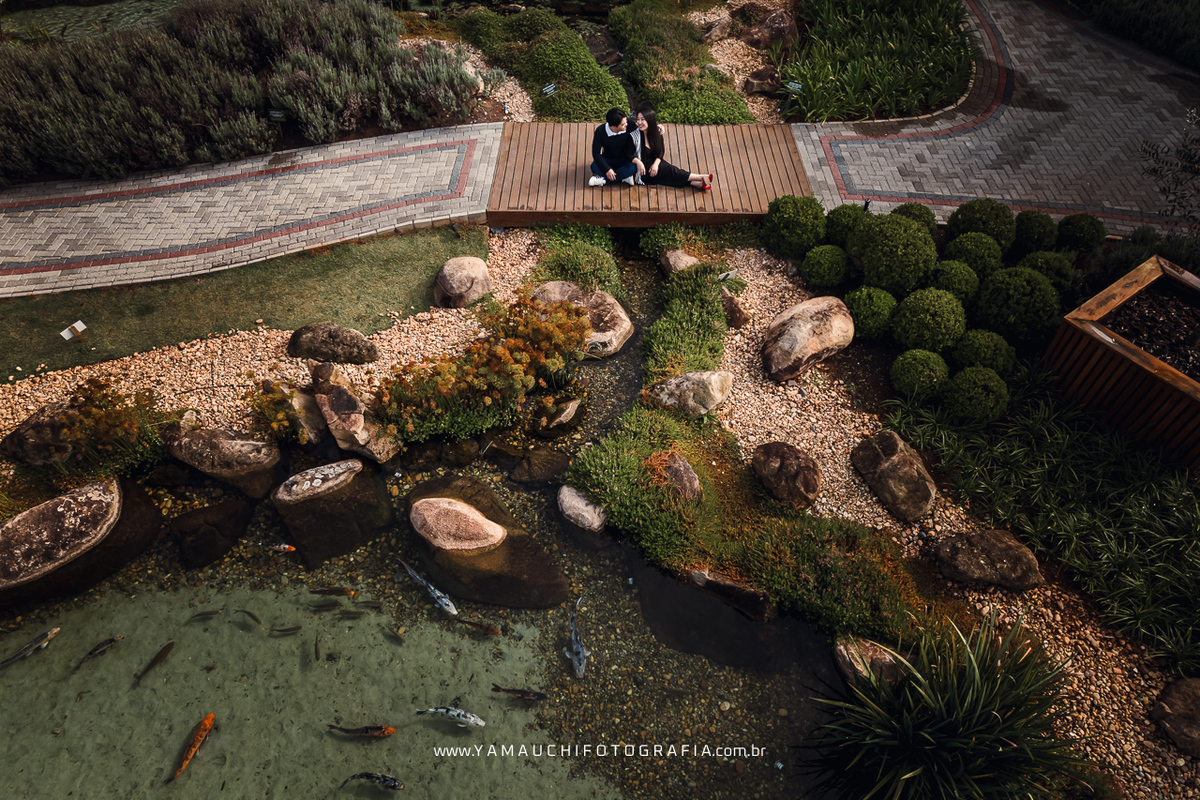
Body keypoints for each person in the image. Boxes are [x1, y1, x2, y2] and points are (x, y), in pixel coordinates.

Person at [633, 106, 713, 190]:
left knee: (669, 176)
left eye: (642, 119)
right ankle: (701, 177)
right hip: (645, 171)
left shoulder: (656, 132)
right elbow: (629, 153)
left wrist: (656, 164)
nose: (639, 122)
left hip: (656, 163)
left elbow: (660, 152)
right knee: (672, 171)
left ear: (650, 120)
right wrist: (639, 162)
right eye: (638, 119)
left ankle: (696, 183)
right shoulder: (636, 135)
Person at [588, 108, 640, 187]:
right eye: (622, 124)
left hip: (626, 158)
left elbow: (643, 131)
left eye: (625, 122)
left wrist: (658, 128)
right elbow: (596, 153)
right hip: (608, 159)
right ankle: (624, 177)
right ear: (613, 127)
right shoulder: (600, 131)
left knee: (633, 167)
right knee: (594, 166)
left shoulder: (629, 124)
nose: (626, 124)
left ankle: (604, 180)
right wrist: (607, 169)